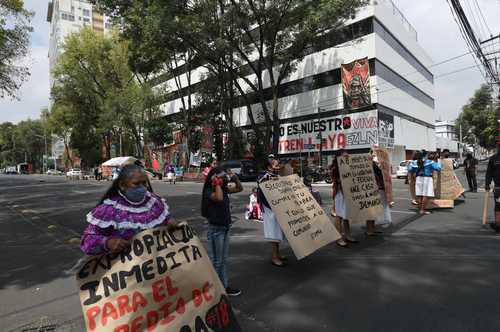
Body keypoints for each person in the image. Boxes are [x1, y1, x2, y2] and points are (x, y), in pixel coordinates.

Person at [80, 164, 178, 255]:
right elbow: (86, 242)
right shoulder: (109, 210)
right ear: (122, 185)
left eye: (144, 183)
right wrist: (108, 243)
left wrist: (169, 221)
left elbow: (165, 217)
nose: (143, 188)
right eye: (136, 184)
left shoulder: (154, 202)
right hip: (126, 269)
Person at [201, 166, 243, 296]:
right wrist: (216, 183)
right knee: (217, 261)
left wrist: (235, 178)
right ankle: (215, 289)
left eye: (225, 176)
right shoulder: (209, 190)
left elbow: (239, 188)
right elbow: (218, 198)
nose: (225, 178)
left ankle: (223, 286)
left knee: (224, 260)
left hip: (225, 227)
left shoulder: (223, 189)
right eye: (222, 176)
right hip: (216, 229)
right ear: (214, 178)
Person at [258, 158, 287, 266]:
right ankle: (274, 257)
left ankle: (277, 254)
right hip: (270, 208)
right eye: (276, 164)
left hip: (276, 206)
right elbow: (263, 183)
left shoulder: (274, 175)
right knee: (274, 232)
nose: (279, 166)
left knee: (278, 230)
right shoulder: (264, 176)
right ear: (269, 167)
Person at [331, 150, 358, 247]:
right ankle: (338, 238)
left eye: (348, 156)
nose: (347, 158)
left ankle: (348, 235)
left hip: (347, 193)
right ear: (339, 157)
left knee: (346, 215)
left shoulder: (348, 166)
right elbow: (339, 182)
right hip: (340, 194)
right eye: (344, 156)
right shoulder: (335, 168)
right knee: (339, 216)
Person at [408, 151, 442, 215]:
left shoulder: (414, 162)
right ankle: (422, 210)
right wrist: (438, 161)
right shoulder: (430, 162)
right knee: (425, 195)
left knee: (419, 195)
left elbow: (409, 169)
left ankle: (420, 208)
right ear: (425, 155)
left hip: (418, 179)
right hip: (427, 179)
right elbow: (438, 168)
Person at [485, 145, 500, 232]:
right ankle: (497, 223)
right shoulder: (493, 159)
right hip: (498, 187)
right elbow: (489, 172)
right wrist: (487, 183)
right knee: (498, 205)